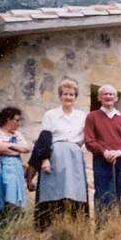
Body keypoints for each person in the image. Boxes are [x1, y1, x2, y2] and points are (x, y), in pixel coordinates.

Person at [34, 79, 88, 227]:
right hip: (55, 153)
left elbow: (86, 137)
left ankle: (74, 227)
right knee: (53, 190)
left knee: (74, 192)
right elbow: (45, 138)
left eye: (72, 94)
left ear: (75, 97)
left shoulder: (82, 116)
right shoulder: (51, 114)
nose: (68, 97)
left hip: (74, 155)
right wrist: (45, 159)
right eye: (65, 94)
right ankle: (48, 226)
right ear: (60, 96)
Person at [84, 84, 121, 218]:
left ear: (116, 98)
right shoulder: (92, 116)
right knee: (103, 194)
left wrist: (118, 152)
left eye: (111, 94)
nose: (108, 96)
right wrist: (104, 151)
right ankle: (102, 228)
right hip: (101, 161)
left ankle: (117, 228)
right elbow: (89, 140)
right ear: (99, 97)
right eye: (105, 94)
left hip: (120, 161)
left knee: (120, 192)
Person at [0, 107, 30, 214]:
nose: (18, 123)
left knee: (13, 201)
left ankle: (12, 224)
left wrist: (8, 146)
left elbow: (26, 148)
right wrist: (15, 148)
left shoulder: (17, 134)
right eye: (16, 120)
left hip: (14, 172)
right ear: (7, 119)